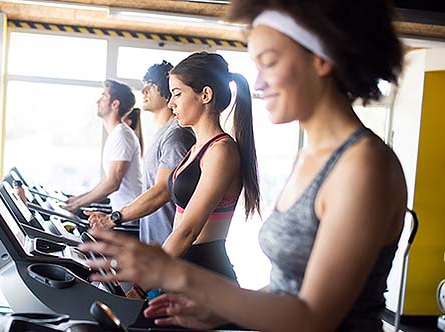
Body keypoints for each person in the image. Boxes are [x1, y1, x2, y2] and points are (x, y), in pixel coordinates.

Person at [80, 0, 407, 331]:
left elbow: (313, 318)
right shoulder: (311, 157)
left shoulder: (364, 166)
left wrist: (171, 272)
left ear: (320, 59)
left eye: (269, 63)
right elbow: (291, 287)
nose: (260, 85)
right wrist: (220, 311)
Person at [90, 52, 261, 296]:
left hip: (205, 273)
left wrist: (142, 286)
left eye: (178, 94)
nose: (171, 103)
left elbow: (188, 230)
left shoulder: (221, 151)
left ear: (205, 95)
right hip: (183, 266)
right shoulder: (195, 149)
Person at [87, 61, 195, 247]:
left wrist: (114, 218)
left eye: (151, 85)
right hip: (153, 241)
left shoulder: (176, 136)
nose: (143, 90)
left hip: (168, 246)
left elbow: (162, 191)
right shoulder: (162, 134)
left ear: (168, 90)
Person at [62, 80, 142, 212]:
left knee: (89, 231)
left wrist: (77, 205)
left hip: (131, 215)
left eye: (104, 97)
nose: (98, 101)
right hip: (122, 210)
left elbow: (113, 183)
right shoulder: (116, 134)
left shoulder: (122, 135)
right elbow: (108, 179)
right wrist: (78, 199)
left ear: (115, 104)